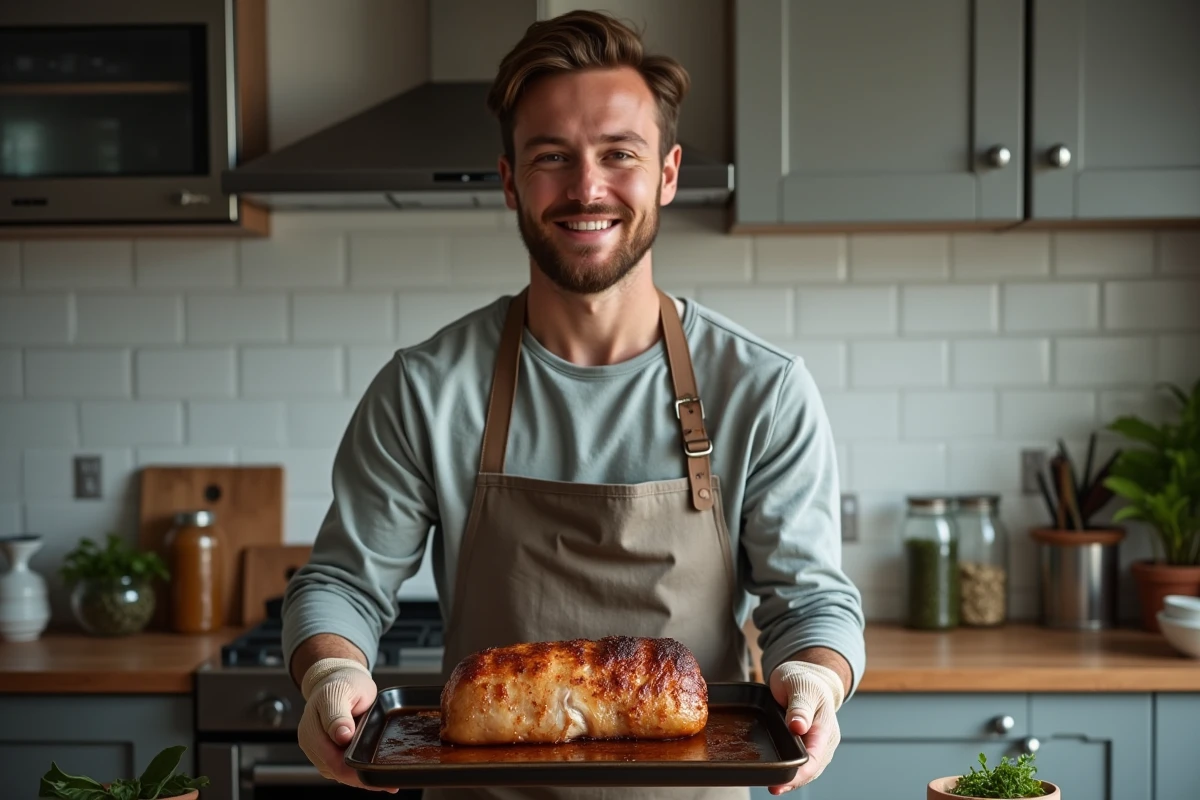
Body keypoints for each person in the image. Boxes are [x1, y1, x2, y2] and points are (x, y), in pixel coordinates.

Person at [284, 9, 865, 799]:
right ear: (509, 179)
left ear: (666, 173)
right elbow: (344, 584)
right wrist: (331, 670)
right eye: (551, 156)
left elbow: (811, 602)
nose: (586, 188)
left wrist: (814, 683)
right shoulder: (426, 388)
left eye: (618, 154)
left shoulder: (761, 388)